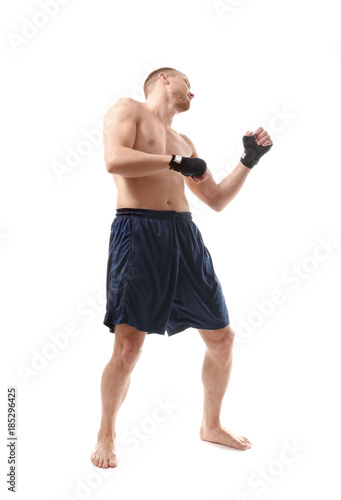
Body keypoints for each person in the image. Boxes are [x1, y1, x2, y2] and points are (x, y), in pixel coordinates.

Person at [90, 67, 273, 468]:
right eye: (189, 84)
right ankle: (106, 433)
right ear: (166, 81)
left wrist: (248, 161)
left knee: (223, 339)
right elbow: (115, 160)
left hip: (184, 236)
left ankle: (211, 424)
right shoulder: (128, 110)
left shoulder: (185, 141)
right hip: (138, 230)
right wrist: (174, 162)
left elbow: (217, 198)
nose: (194, 92)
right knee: (128, 347)